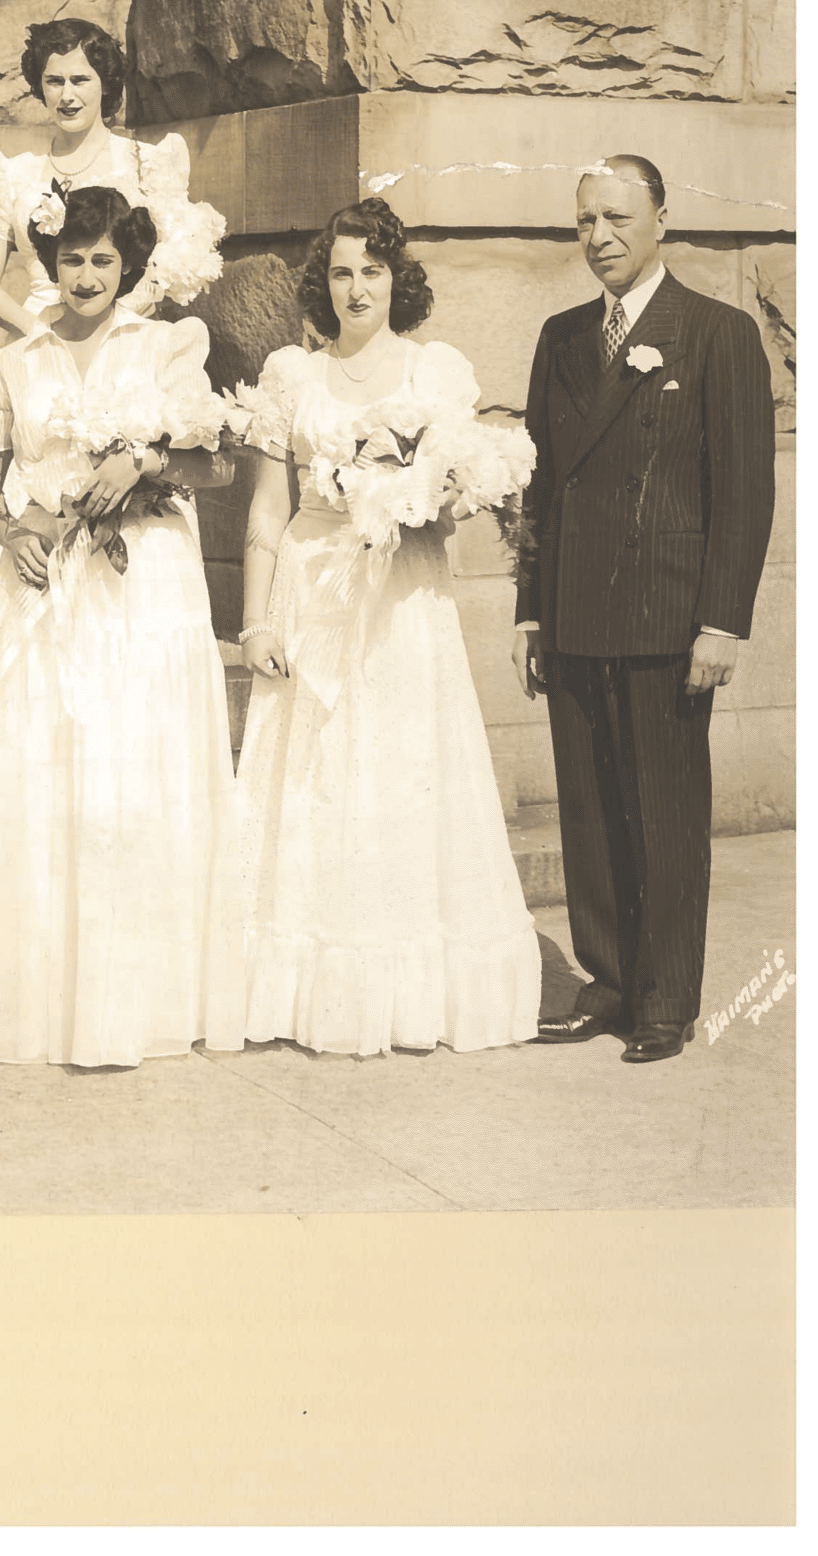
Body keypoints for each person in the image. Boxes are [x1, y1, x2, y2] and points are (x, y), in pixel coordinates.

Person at [210, 201, 546, 1059]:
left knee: (399, 775)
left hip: (400, 601)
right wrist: (251, 624)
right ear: (320, 286)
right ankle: (302, 989)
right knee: (314, 777)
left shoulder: (433, 373)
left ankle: (403, 988)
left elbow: (460, 493)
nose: (356, 288)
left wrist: (423, 498)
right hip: (312, 590)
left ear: (399, 278)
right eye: (339, 272)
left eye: (372, 270)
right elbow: (266, 507)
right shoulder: (291, 373)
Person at [0, 188, 238, 1068]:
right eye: (70, 259)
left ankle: (138, 999)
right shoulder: (19, 362)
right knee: (44, 769)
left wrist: (141, 458)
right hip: (43, 584)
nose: (84, 276)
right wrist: (11, 534)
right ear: (47, 264)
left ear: (129, 266)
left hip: (141, 584)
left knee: (130, 773)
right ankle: (40, 999)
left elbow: (214, 463)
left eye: (102, 260)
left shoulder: (166, 348)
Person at [513, 157, 777, 1065]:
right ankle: (610, 979)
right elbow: (540, 486)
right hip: (575, 608)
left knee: (663, 812)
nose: (599, 238)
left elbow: (742, 496)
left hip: (669, 618)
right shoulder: (558, 337)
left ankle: (666, 997)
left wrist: (722, 621)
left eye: (618, 219)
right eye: (585, 221)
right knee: (588, 812)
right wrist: (528, 614)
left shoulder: (716, 333)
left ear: (661, 219)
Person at [0, 18, 223, 334]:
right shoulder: (13, 172)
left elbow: (177, 259)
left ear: (104, 83)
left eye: (80, 80)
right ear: (40, 86)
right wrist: (37, 333)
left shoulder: (147, 162)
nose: (67, 96)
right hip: (40, 337)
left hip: (126, 336)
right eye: (55, 81)